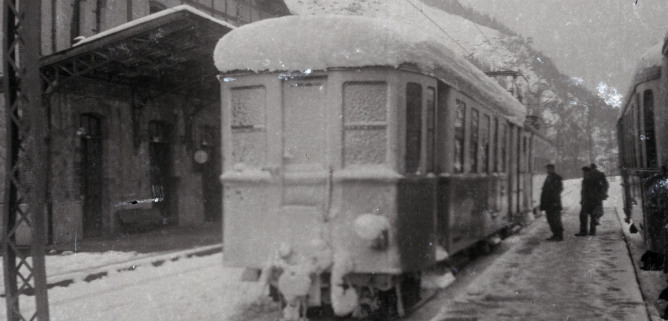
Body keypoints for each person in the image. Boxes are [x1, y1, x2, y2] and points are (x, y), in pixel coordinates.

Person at [576, 166, 603, 236]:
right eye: (584, 172)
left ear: (588, 172)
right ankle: (588, 231)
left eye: (585, 172)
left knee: (589, 216)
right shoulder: (585, 180)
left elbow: (599, 189)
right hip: (586, 201)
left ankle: (588, 231)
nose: (584, 174)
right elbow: (583, 192)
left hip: (591, 201)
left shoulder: (592, 180)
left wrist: (596, 198)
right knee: (584, 216)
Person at [540, 164, 563, 241]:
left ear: (553, 169)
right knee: (551, 219)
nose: (547, 170)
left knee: (555, 220)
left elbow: (558, 190)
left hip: (553, 203)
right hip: (549, 203)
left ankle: (559, 235)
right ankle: (555, 234)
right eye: (547, 169)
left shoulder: (556, 177)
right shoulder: (549, 177)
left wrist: (554, 201)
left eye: (549, 169)